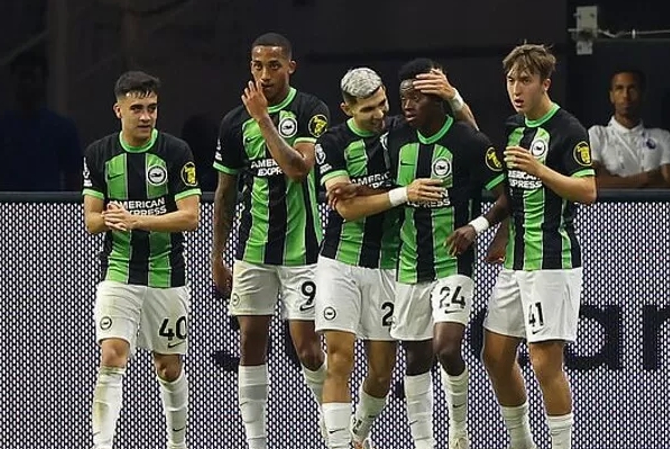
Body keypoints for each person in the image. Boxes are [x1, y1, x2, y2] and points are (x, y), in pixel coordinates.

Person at [329, 58, 506, 449]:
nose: (405, 105)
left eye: (416, 97)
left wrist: (477, 228)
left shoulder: (465, 140)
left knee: (446, 346)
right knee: (414, 360)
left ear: (438, 99)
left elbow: (502, 188)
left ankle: (458, 430)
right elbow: (384, 183)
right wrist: (355, 189)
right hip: (407, 265)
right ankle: (418, 441)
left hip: (452, 262)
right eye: (402, 97)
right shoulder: (396, 137)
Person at [462, 44, 596, 449]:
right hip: (515, 263)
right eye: (510, 80)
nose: (516, 89)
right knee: (495, 357)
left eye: (525, 80)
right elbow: (512, 194)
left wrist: (540, 168)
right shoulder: (513, 127)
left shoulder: (568, 129)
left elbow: (588, 190)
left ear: (545, 83)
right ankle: (522, 442)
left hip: (552, 262)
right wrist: (496, 231)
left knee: (543, 363)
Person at [211, 32, 330, 449]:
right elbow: (225, 194)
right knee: (249, 342)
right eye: (257, 66)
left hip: (303, 250)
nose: (264, 74)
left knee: (307, 347)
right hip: (252, 250)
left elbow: (299, 168)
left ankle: (334, 434)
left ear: (290, 67)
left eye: (274, 65)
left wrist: (263, 119)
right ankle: (256, 441)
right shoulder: (232, 123)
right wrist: (218, 258)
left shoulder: (311, 109)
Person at [82, 71, 201, 449]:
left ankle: (178, 443)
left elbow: (191, 216)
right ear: (119, 110)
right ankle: (103, 445)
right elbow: (91, 220)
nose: (146, 116)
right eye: (137, 108)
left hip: (167, 274)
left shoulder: (176, 152)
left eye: (151, 108)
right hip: (119, 272)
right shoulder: (99, 154)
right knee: (112, 355)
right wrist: (109, 220)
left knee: (169, 368)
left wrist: (138, 220)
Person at [0, 50, 82, 191]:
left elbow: (74, 179)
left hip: (47, 210)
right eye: (22, 77)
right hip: (10, 210)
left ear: (44, 81)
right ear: (13, 81)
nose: (27, 83)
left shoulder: (63, 129)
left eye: (32, 77)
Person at [588, 68, 670, 189]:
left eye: (632, 88)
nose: (626, 96)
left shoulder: (662, 137)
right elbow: (589, 183)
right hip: (611, 208)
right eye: (619, 89)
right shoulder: (597, 134)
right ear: (611, 96)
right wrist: (642, 179)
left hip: (652, 208)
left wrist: (612, 180)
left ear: (642, 95)